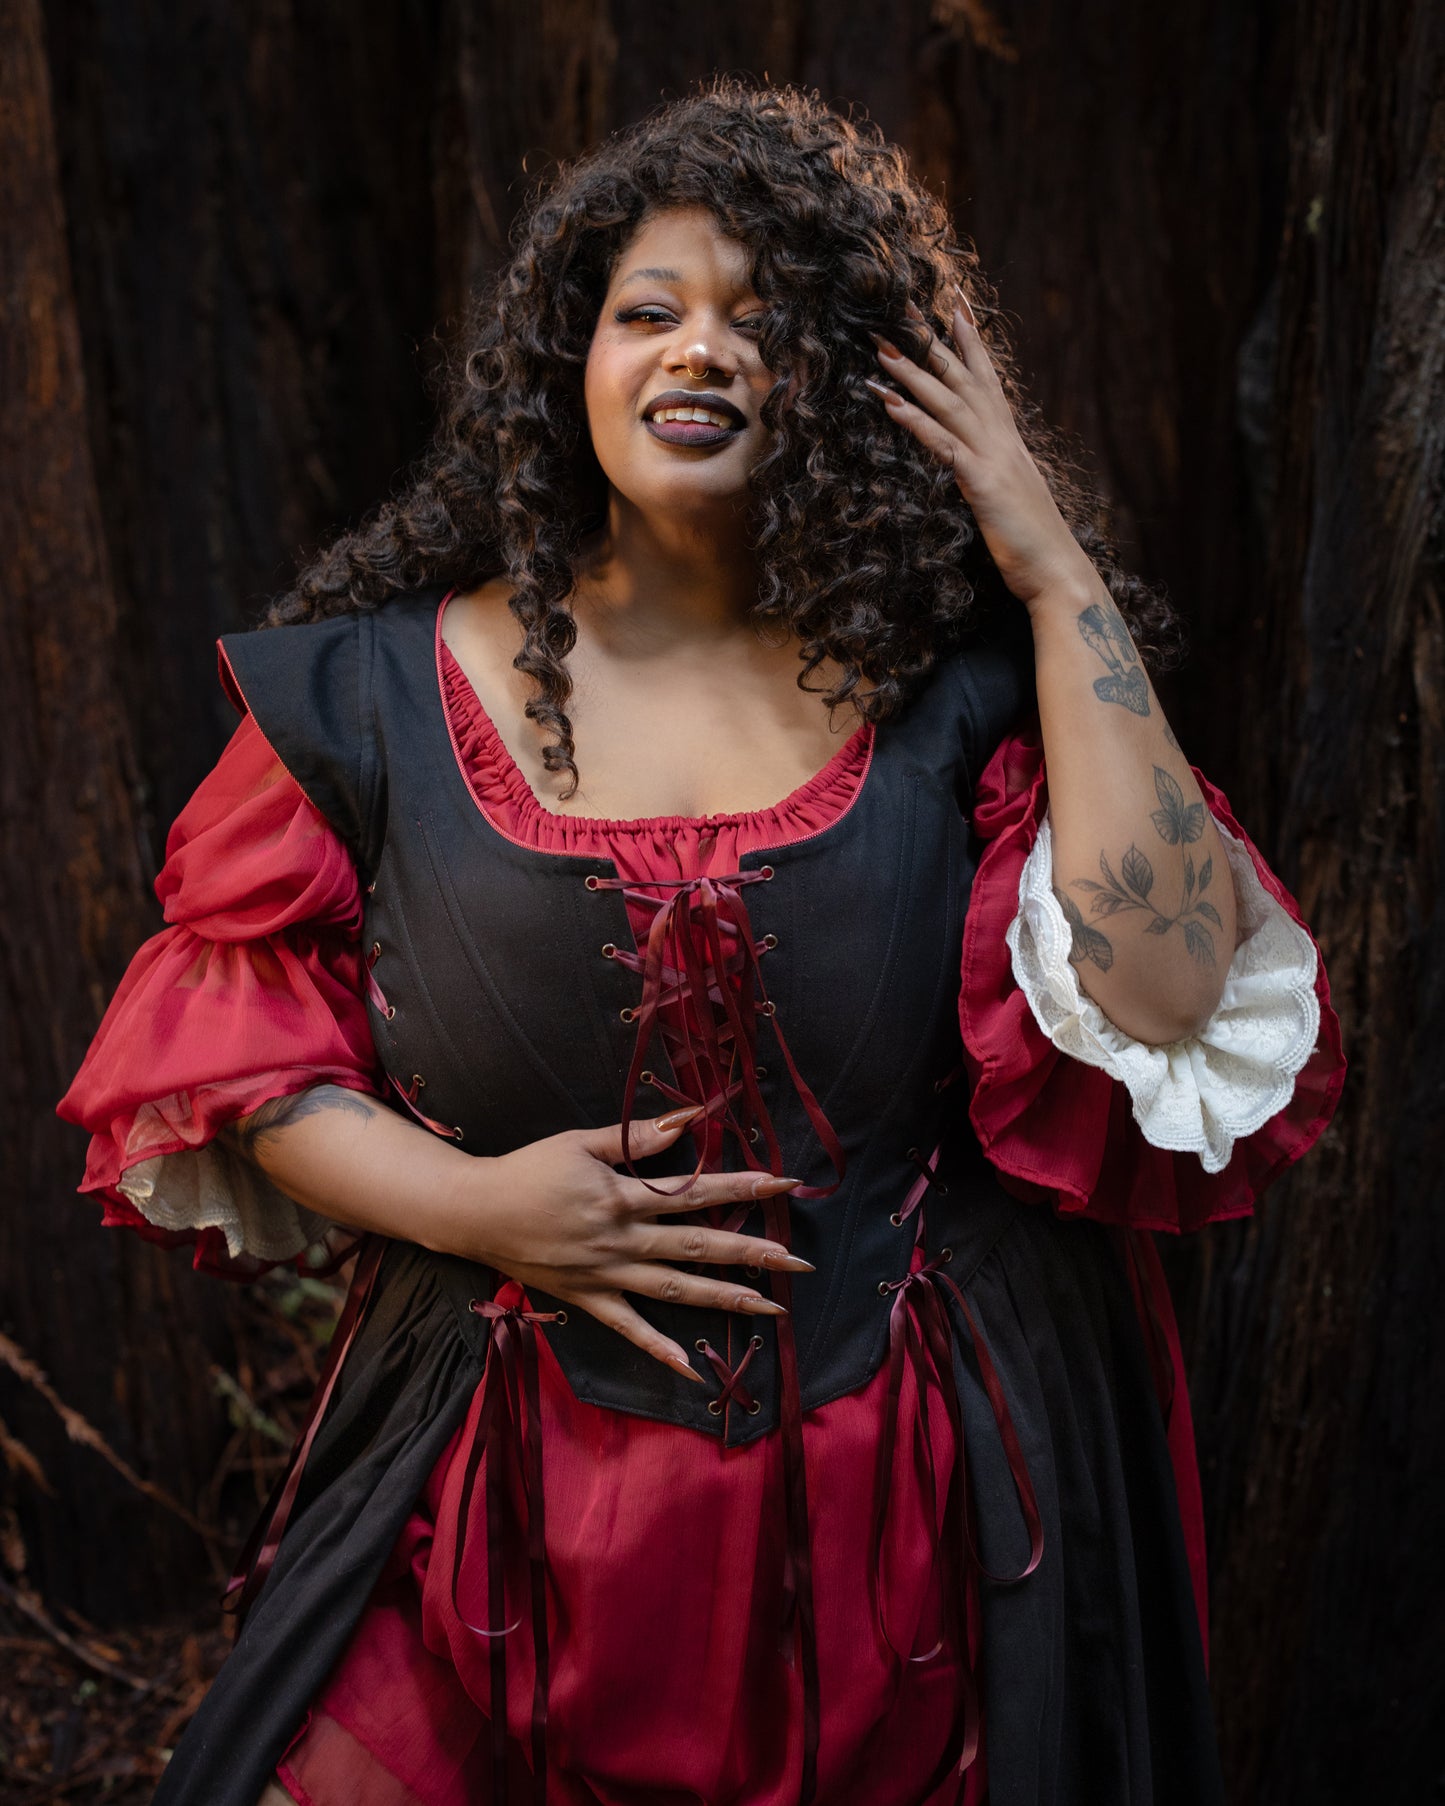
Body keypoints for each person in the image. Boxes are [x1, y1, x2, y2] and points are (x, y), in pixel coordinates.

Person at [58, 78, 1344, 1806]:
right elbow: (236, 1052)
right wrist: (483, 1206)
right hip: (496, 1469)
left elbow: (1172, 991)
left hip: (930, 1496)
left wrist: (1050, 574)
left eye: (767, 322)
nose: (702, 351)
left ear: (853, 388)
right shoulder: (368, 693)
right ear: (565, 364)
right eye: (647, 311)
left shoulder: (969, 690)